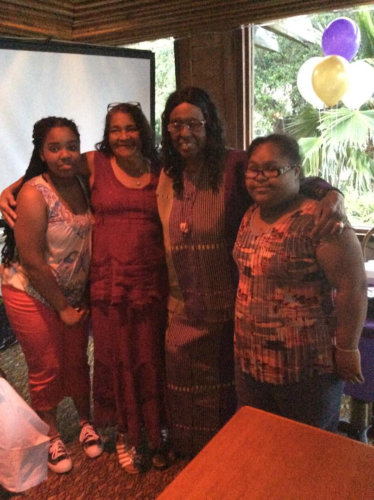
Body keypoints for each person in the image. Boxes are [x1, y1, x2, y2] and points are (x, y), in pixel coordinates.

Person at [157, 86, 347, 457]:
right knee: (185, 387)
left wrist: (331, 192)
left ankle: (231, 461)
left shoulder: (234, 166)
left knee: (232, 398)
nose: (185, 132)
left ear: (209, 125)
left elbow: (283, 176)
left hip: (232, 310)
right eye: (175, 124)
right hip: (182, 306)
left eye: (194, 123)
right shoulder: (165, 170)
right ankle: (195, 458)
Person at [0, 103, 169, 474]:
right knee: (52, 365)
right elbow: (31, 257)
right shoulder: (77, 172)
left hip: (100, 288)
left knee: (89, 361)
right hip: (41, 290)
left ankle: (100, 425)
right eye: (115, 130)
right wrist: (8, 190)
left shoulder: (101, 173)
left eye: (130, 128)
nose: (123, 136)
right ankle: (62, 434)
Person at [234, 134, 367, 431]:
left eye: (272, 169)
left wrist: (347, 348)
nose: (260, 177)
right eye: (253, 169)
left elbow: (352, 287)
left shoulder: (322, 220)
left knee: (309, 453)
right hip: (250, 360)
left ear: (296, 171)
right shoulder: (250, 213)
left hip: (304, 366)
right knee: (259, 443)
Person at [0, 117, 103, 474]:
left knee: (77, 361)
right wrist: (62, 308)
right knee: (46, 366)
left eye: (71, 146)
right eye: (54, 148)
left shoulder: (84, 179)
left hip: (72, 291)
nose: (65, 154)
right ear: (41, 153)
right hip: (31, 292)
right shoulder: (34, 192)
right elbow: (31, 259)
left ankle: (86, 422)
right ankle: (52, 434)